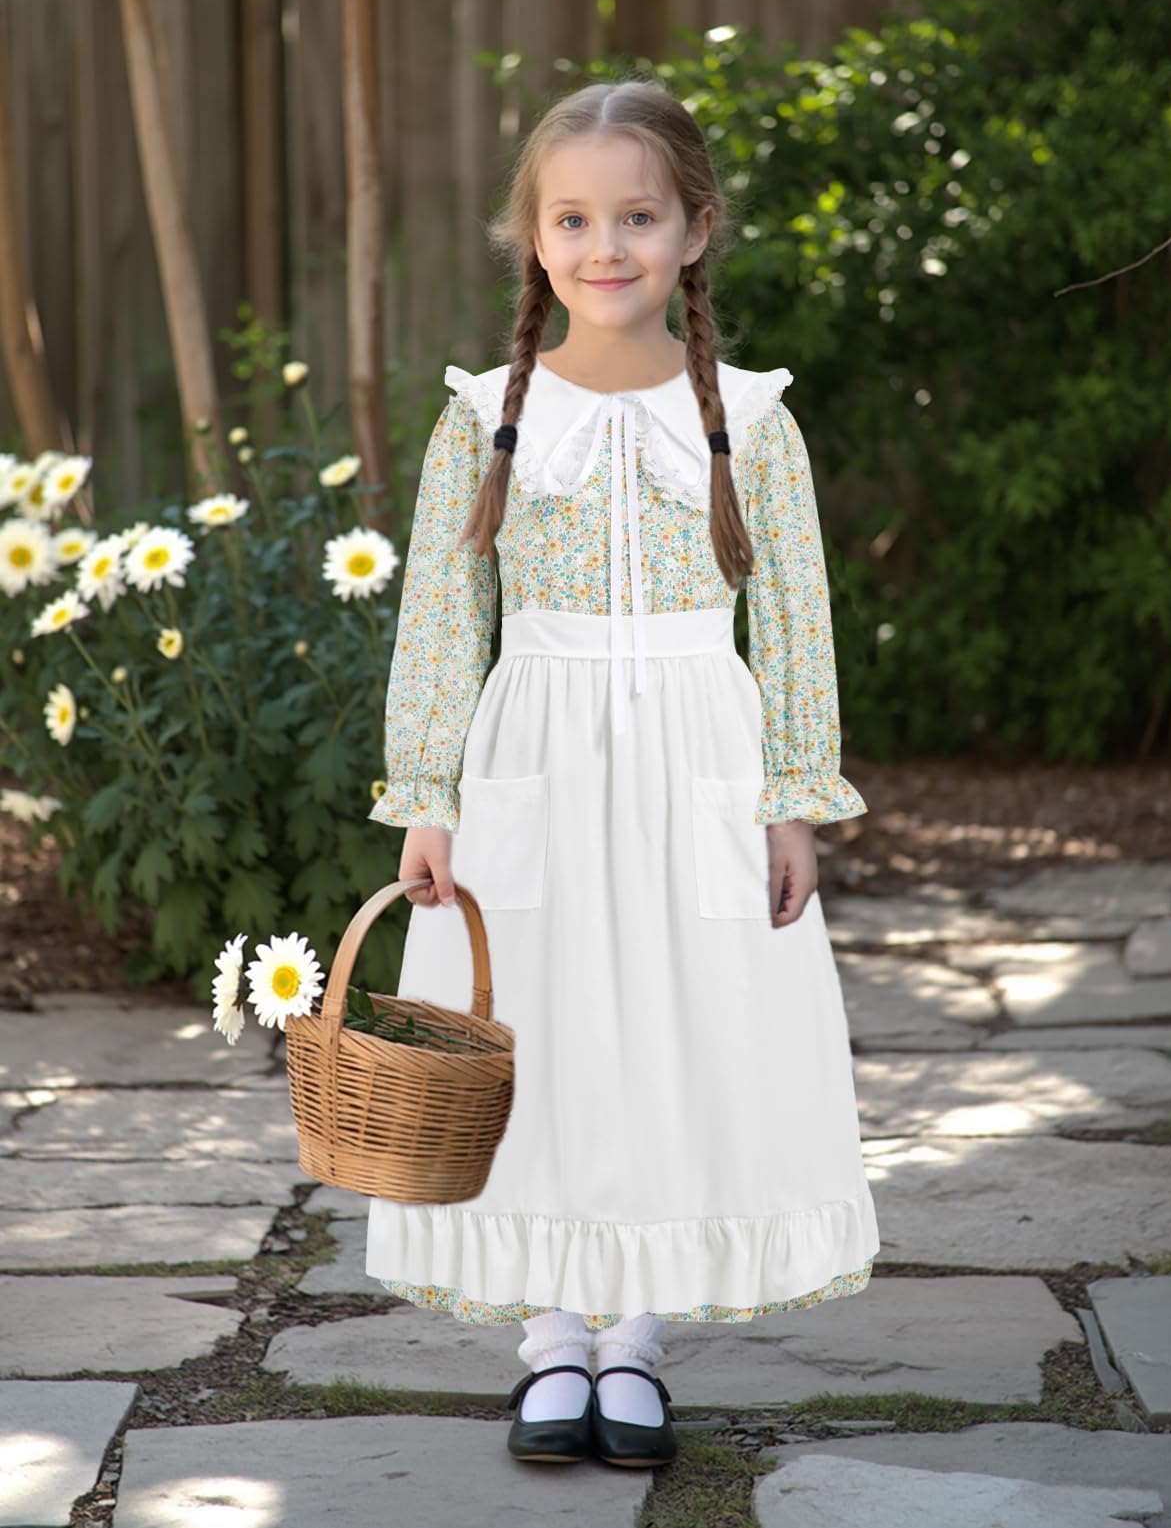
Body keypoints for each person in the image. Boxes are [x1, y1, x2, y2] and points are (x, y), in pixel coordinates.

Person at [363, 76, 879, 1468]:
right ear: (532, 238)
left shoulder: (750, 420)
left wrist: (790, 798)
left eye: (637, 216)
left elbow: (793, 624)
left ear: (694, 231)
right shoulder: (486, 415)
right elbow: (440, 615)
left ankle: (634, 1336)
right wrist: (430, 791)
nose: (606, 246)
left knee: (668, 1033)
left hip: (692, 765)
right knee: (538, 1031)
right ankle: (549, 1336)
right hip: (531, 753)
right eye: (574, 217)